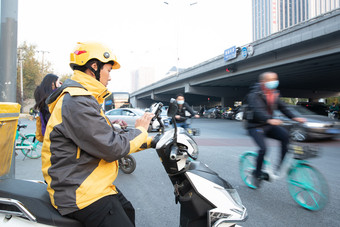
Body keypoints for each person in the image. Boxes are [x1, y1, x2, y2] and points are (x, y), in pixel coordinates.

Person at [41, 42, 154, 227]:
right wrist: (141, 130)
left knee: (127, 210)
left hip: (90, 183)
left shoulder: (85, 98)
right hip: (78, 190)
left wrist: (152, 141)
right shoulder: (77, 100)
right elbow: (111, 147)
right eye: (108, 70)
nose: (109, 77)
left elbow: (104, 136)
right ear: (94, 66)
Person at [246, 71, 305, 188]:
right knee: (263, 149)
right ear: (263, 82)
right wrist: (269, 119)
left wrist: (295, 117)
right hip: (255, 126)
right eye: (271, 80)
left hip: (269, 124)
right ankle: (257, 174)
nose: (274, 82)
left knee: (285, 137)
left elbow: (283, 108)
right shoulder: (254, 94)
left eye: (275, 79)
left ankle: (281, 166)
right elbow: (257, 110)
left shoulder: (273, 94)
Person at [33, 74, 62, 140]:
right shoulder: (54, 96)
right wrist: (61, 88)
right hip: (54, 132)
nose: (59, 83)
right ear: (52, 83)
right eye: (58, 81)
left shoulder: (41, 95)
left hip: (45, 130)